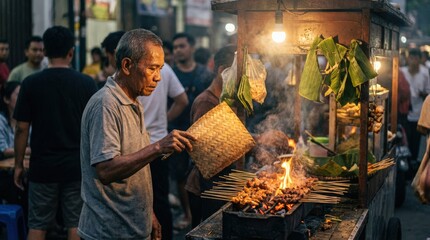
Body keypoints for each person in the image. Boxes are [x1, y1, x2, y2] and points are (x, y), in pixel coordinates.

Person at [78, 29, 196, 240]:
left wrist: (147, 213)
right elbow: (106, 170)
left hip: (132, 225)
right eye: (152, 68)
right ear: (126, 65)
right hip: (110, 231)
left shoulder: (134, 100)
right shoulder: (106, 104)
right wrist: (158, 147)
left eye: (160, 69)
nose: (158, 77)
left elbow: (135, 169)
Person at [13, 26, 98, 240]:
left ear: (45, 52)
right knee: (76, 225)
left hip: (42, 167)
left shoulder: (31, 83)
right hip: (77, 167)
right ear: (71, 52)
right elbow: (97, 127)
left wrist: (18, 164)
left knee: (38, 225)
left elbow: (21, 128)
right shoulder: (87, 83)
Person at [138, 50, 188, 240]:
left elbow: (182, 100)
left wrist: (163, 120)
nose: (155, 76)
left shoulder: (141, 71)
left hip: (140, 147)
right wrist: (163, 121)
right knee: (160, 198)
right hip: (158, 141)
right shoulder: (165, 69)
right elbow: (182, 100)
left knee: (141, 199)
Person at [185, 45, 236, 228]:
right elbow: (206, 152)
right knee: (206, 231)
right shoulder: (206, 102)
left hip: (219, 184)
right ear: (223, 71)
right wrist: (257, 140)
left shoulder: (226, 100)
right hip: (206, 188)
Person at [169, 32, 213, 229]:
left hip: (202, 134)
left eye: (182, 46)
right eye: (175, 47)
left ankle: (202, 216)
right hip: (177, 133)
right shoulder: (170, 73)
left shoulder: (205, 74)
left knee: (200, 175)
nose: (178, 50)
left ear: (192, 47)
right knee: (180, 176)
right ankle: (187, 215)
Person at [400, 48, 430, 172]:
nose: (413, 61)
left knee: (416, 140)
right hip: (405, 112)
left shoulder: (424, 72)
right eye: (411, 58)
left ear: (419, 59)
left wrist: (422, 93)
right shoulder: (402, 71)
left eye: (415, 58)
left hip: (418, 113)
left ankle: (413, 166)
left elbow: (428, 92)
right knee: (406, 137)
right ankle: (407, 164)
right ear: (408, 59)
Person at [0, 82, 30, 159]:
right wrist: (28, 150)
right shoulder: (1, 120)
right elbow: (4, 150)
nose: (23, 99)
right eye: (18, 95)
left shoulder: (27, 120)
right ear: (6, 99)